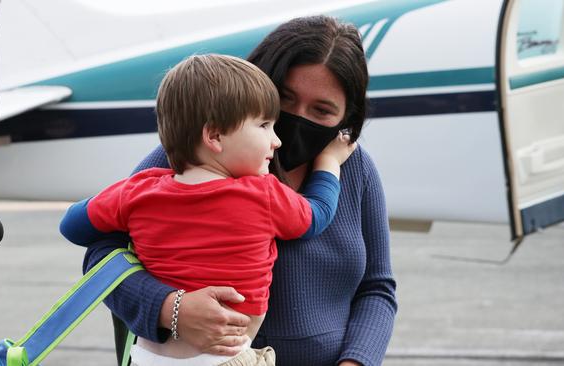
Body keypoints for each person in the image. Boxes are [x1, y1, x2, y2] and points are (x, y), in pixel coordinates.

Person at [81, 15, 397, 366]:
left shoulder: (355, 170)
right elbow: (101, 256)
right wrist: (170, 309)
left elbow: (377, 288)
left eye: (321, 111)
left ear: (345, 120)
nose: (293, 120)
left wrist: (356, 361)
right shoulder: (187, 160)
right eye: (283, 99)